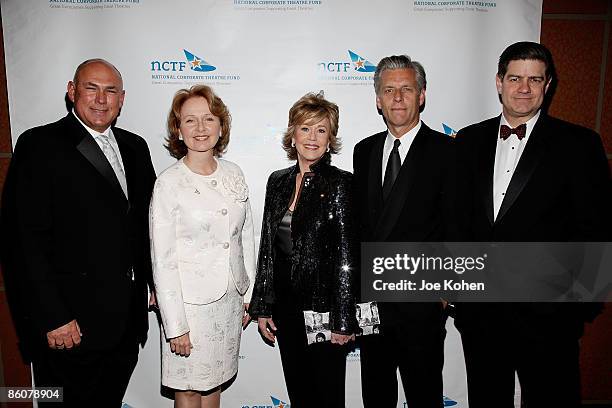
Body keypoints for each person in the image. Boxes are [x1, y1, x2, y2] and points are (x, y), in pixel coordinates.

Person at [453, 41, 611, 408]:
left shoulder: (579, 144)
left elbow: (598, 227)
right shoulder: (469, 140)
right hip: (481, 314)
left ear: (548, 84)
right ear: (498, 82)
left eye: (534, 80)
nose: (524, 89)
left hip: (549, 317)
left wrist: (579, 308)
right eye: (515, 78)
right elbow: (456, 220)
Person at [0, 59, 156, 406]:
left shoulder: (135, 147)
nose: (101, 99)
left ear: (122, 98)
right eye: (91, 88)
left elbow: (146, 227)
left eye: (110, 90)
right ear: (72, 92)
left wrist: (155, 285)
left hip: (124, 325)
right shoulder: (40, 145)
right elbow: (23, 241)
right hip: (68, 327)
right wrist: (53, 317)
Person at [352, 55, 454, 408]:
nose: (397, 98)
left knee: (424, 394)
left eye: (406, 89)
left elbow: (458, 224)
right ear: (377, 99)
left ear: (421, 95)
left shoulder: (448, 152)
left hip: (420, 304)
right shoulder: (363, 151)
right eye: (389, 90)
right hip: (371, 303)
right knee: (375, 395)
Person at [149, 85, 255, 408]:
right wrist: (175, 326)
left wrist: (248, 297)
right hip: (189, 308)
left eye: (208, 119)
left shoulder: (234, 174)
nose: (200, 128)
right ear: (178, 130)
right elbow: (162, 260)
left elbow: (246, 237)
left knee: (214, 385)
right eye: (190, 120)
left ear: (221, 126)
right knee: (190, 390)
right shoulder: (168, 183)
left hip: (228, 303)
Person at [249, 92, 357, 407]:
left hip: (324, 308)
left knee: (327, 396)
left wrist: (343, 318)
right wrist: (263, 306)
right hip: (286, 308)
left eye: (321, 130)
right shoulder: (277, 182)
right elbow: (268, 248)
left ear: (330, 138)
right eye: (305, 129)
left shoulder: (341, 184)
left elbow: (347, 256)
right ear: (293, 135)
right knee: (300, 394)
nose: (312, 137)